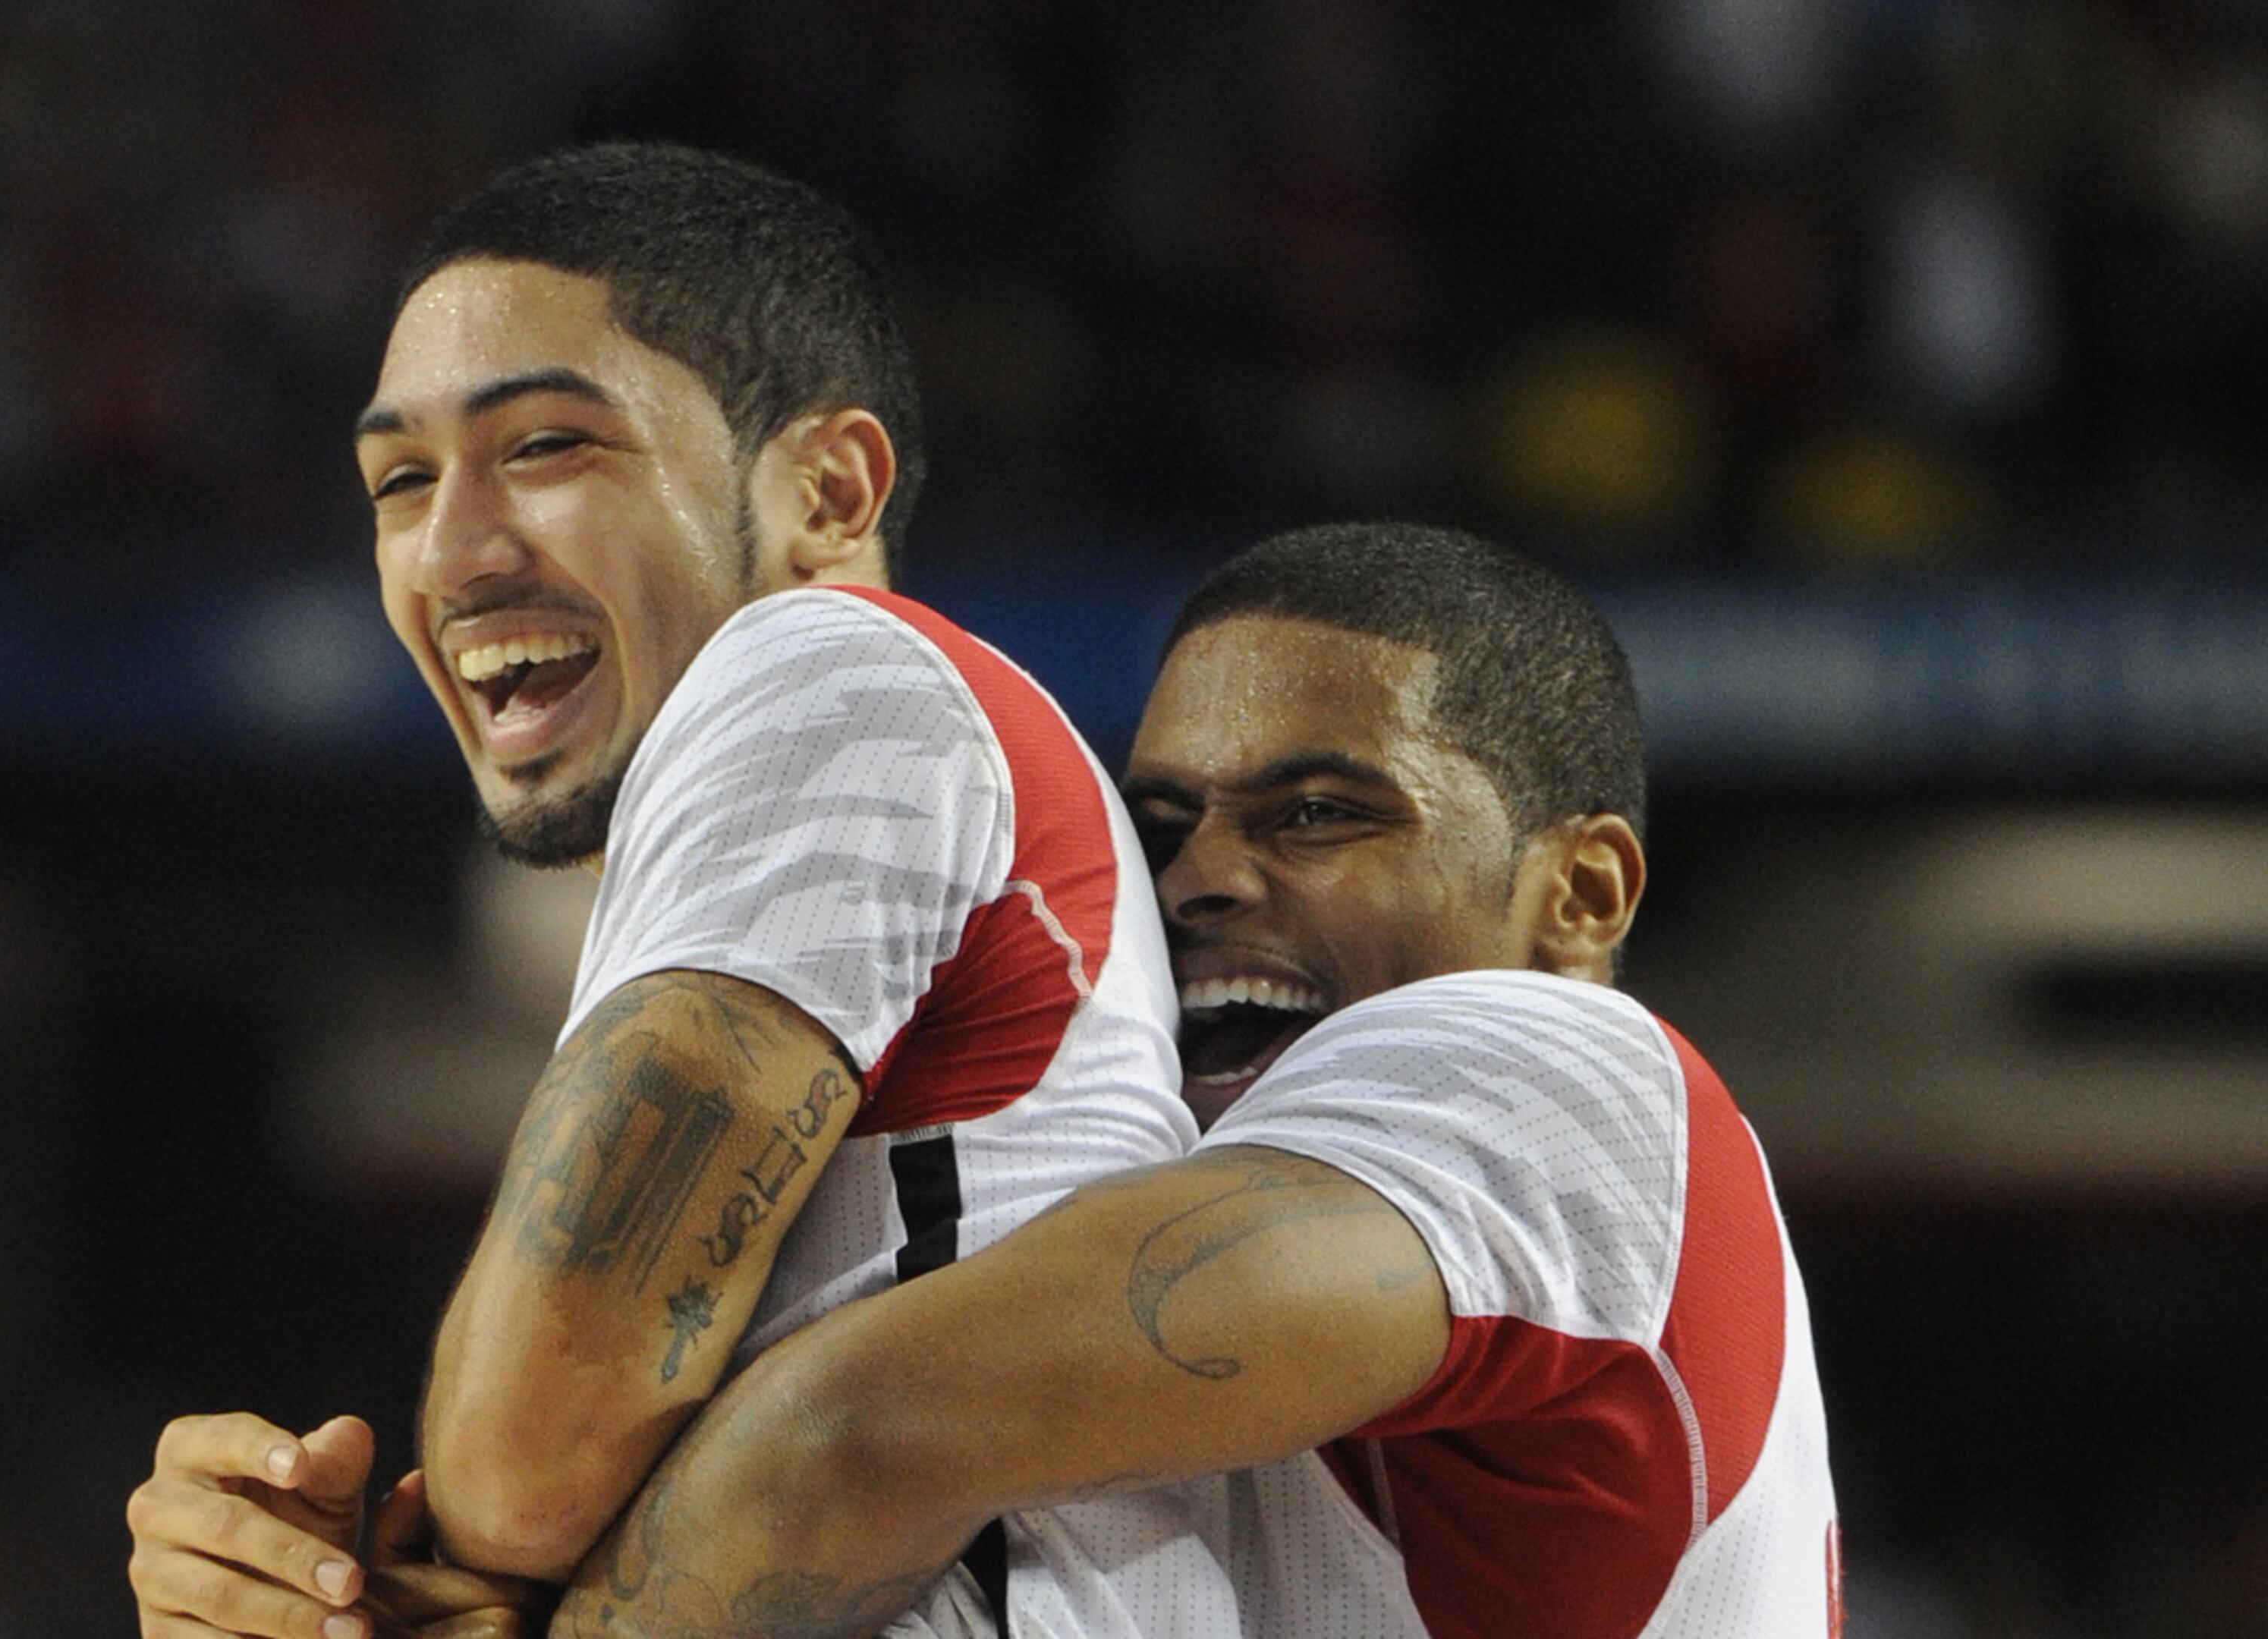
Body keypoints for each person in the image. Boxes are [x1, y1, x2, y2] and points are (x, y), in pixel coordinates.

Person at [127, 141, 1216, 1639]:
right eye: (400, 481)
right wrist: (314, 1591)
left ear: (827, 491)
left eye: (546, 448)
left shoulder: (827, 671)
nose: (451, 551)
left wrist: (436, 1573)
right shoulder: (878, 783)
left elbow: (525, 1465)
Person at [521, 521, 1844, 1637]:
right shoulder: (1273, 1294)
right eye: (1161, 827)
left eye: (1317, 813)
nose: (1195, 879)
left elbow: (846, 1439)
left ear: (1582, 893)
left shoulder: (1563, 1075)